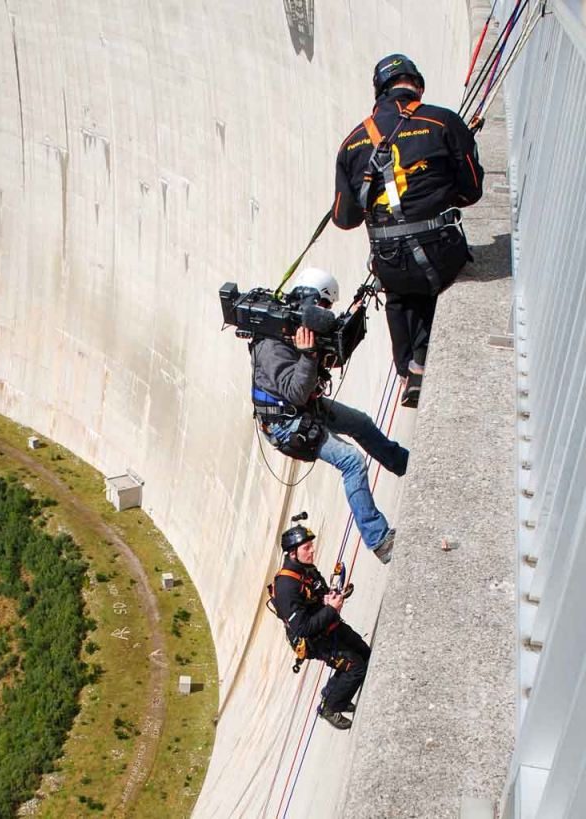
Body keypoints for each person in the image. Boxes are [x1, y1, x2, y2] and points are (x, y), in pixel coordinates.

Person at [333, 54, 484, 407]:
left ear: (379, 91)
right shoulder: (442, 121)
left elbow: (344, 218)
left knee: (397, 291)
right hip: (439, 254)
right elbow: (471, 191)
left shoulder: (352, 143)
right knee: (430, 274)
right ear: (416, 85)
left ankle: (408, 369)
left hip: (391, 262)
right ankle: (422, 358)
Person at [250, 267, 407, 564]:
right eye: (324, 308)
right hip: (287, 424)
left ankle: (404, 464)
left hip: (305, 408)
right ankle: (380, 541)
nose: (325, 314)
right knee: (352, 461)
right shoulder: (273, 342)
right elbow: (295, 391)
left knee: (359, 422)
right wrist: (309, 355)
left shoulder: (296, 325)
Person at [272, 521, 371, 730]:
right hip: (314, 639)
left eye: (311, 546)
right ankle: (330, 708)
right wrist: (331, 609)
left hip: (327, 624)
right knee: (356, 668)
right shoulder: (286, 588)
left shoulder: (307, 569)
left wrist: (329, 598)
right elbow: (302, 628)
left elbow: (320, 591)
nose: (312, 550)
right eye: (306, 548)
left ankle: (333, 693)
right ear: (292, 554)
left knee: (364, 652)